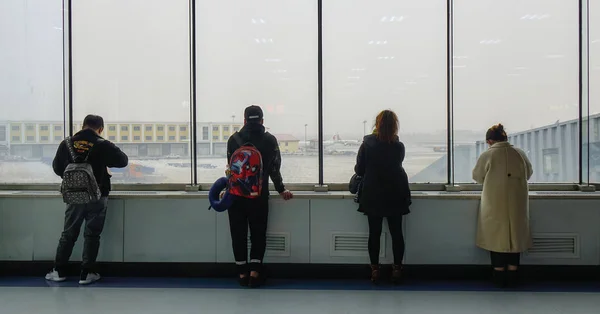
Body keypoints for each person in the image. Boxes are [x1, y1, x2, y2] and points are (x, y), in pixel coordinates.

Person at [45, 115, 128, 285]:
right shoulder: (103, 144)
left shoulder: (66, 144)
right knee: (92, 234)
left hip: (74, 196)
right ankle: (86, 273)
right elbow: (123, 161)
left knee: (68, 233)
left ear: (82, 126)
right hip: (98, 195)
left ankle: (59, 271)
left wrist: (74, 181)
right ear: (101, 128)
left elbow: (56, 167)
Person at [226, 105, 293, 288]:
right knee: (258, 233)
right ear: (262, 121)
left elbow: (231, 168)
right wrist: (281, 189)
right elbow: (274, 169)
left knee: (238, 234)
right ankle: (255, 274)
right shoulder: (269, 140)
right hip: (258, 196)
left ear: (245, 120)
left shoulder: (234, 139)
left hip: (236, 195)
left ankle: (241, 273)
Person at [354, 110, 411, 284]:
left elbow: (359, 170)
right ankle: (397, 269)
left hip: (373, 193)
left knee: (374, 233)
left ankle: (375, 270)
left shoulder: (367, 144)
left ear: (376, 125)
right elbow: (397, 164)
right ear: (395, 125)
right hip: (395, 192)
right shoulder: (399, 146)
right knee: (396, 233)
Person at [472, 123, 533, 288]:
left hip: (494, 202)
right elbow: (529, 173)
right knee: (515, 238)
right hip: (517, 202)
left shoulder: (488, 155)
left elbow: (477, 177)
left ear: (490, 141)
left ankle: (498, 274)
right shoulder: (519, 153)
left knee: (496, 238)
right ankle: (513, 273)